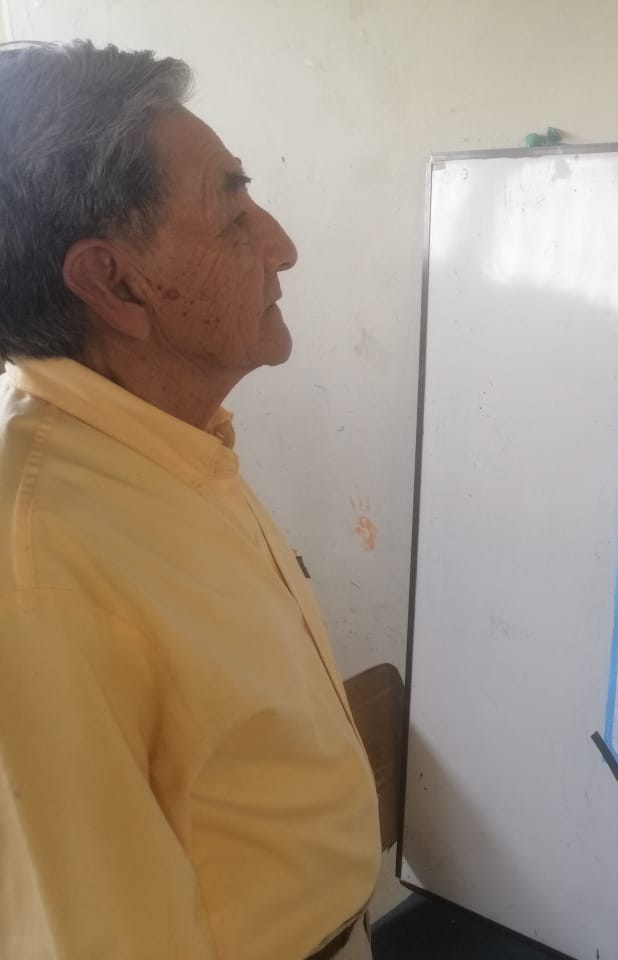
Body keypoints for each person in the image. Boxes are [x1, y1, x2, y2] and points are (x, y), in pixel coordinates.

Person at [0, 41, 381, 959]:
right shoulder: (39, 561)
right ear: (115, 283)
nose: (282, 245)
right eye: (233, 210)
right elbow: (91, 932)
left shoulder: (172, 445)